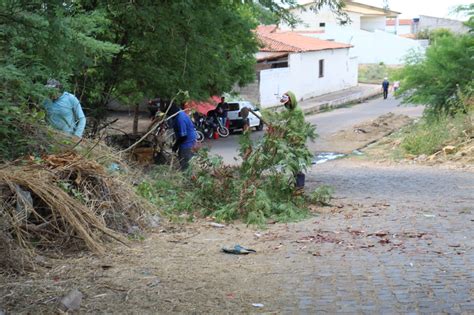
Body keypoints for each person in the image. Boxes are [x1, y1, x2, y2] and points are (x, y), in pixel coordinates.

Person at [280, 91, 306, 193]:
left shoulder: (297, 111)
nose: (286, 104)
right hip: (290, 139)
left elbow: (296, 127)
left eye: (287, 102)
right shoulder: (289, 111)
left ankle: (299, 185)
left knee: (296, 161)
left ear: (292, 100)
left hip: (297, 139)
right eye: (285, 103)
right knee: (292, 161)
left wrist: (296, 137)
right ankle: (296, 184)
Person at [160, 100, 197, 170]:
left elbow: (183, 136)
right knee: (182, 158)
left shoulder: (180, 119)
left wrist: (175, 146)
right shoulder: (179, 113)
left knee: (185, 163)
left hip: (187, 143)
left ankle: (186, 176)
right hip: (186, 141)